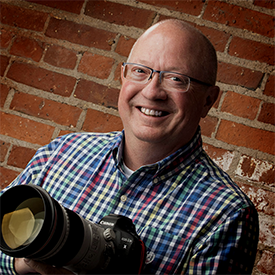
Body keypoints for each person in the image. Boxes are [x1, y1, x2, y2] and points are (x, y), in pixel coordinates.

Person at [0, 19, 259, 275]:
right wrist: (22, 264)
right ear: (123, 76)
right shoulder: (61, 153)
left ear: (208, 101)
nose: (152, 91)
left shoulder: (227, 214)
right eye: (140, 71)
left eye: (176, 79)